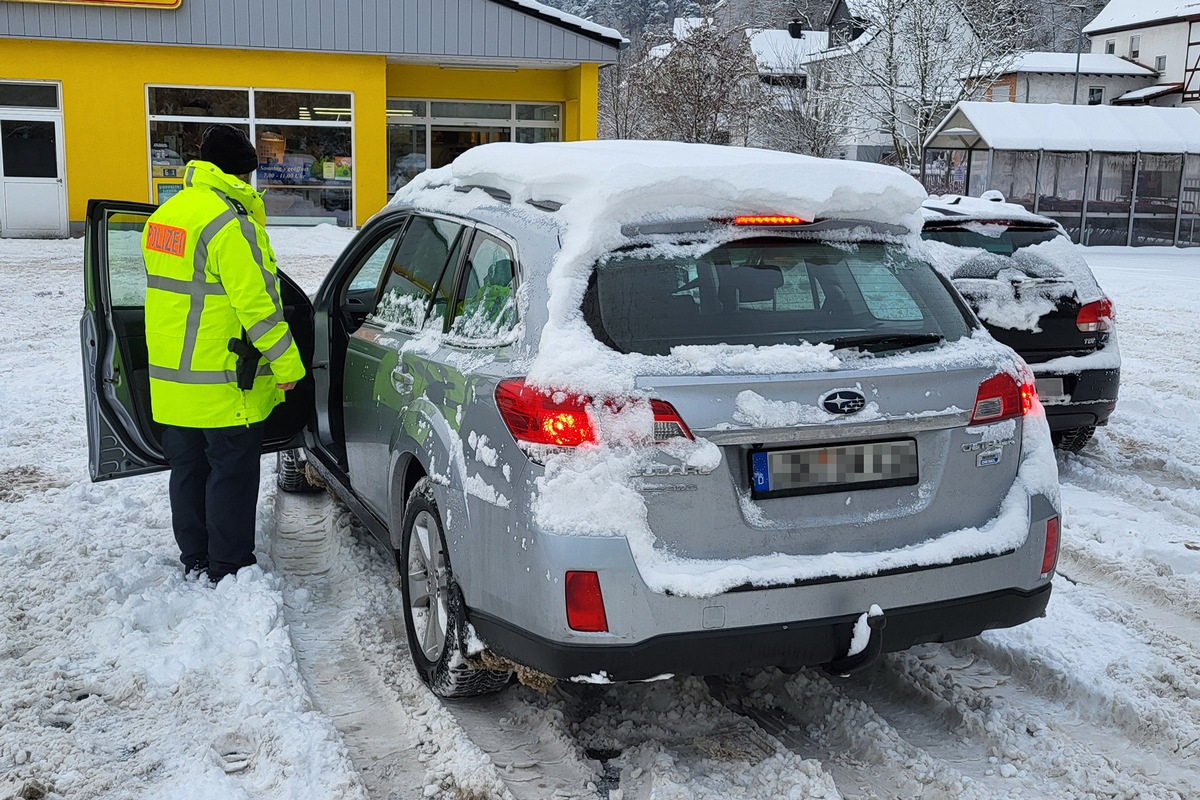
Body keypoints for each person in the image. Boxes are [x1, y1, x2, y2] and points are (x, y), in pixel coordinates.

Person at [141, 124, 305, 583]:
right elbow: (259, 306)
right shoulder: (230, 224)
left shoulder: (166, 216)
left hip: (173, 382)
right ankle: (229, 565)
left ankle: (194, 556)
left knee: (187, 471)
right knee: (230, 473)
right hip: (225, 381)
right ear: (239, 174)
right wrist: (287, 366)